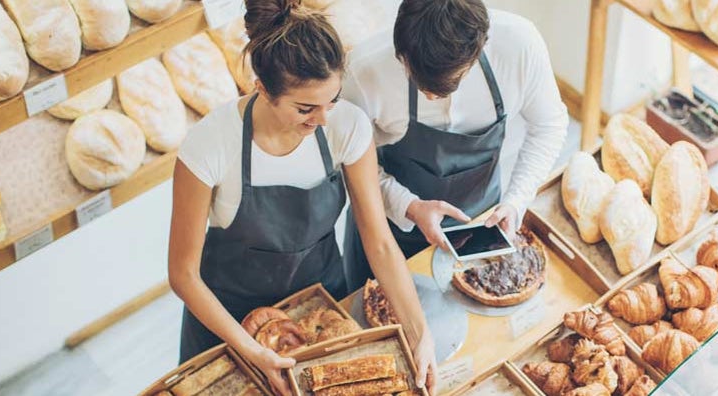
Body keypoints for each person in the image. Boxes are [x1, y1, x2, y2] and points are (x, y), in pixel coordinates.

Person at [167, 1, 435, 394]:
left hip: (319, 307)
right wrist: (250, 351)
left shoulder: (347, 127)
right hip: (228, 319)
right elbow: (183, 275)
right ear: (261, 89)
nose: (323, 118)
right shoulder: (209, 146)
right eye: (306, 108)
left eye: (333, 101)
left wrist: (419, 332)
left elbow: (378, 242)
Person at [341, 0, 568, 282]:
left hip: (482, 226)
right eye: (417, 78)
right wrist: (409, 206)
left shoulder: (519, 46)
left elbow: (549, 126)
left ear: (480, 47)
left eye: (452, 81)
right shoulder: (364, 71)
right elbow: (350, 166)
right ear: (400, 52)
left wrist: (516, 200)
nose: (431, 98)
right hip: (389, 233)